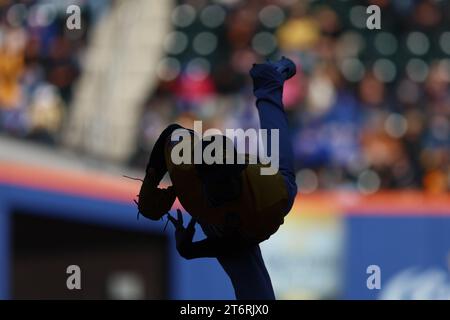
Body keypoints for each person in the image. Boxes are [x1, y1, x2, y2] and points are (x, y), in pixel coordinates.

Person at [136, 57, 298, 299]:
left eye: (224, 181)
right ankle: (268, 85)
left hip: (262, 197)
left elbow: (236, 246)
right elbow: (172, 133)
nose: (221, 186)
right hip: (231, 208)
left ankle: (269, 84)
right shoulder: (186, 169)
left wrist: (192, 250)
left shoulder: (267, 202)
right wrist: (151, 180)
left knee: (281, 171)